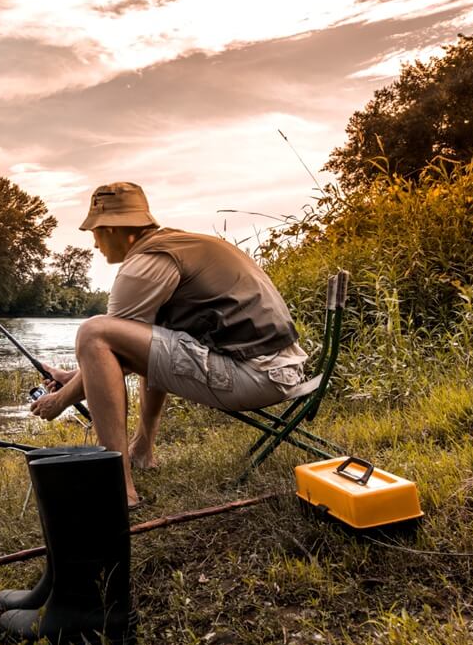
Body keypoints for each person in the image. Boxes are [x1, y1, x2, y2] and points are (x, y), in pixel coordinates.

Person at [30, 182, 307, 507]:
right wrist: (73, 377)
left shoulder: (146, 262)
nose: (94, 243)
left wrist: (60, 400)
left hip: (255, 376)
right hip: (282, 370)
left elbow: (104, 344)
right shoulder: (182, 244)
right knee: (152, 330)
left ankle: (120, 490)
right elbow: (130, 349)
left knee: (94, 331)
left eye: (96, 230)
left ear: (115, 228)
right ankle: (142, 452)